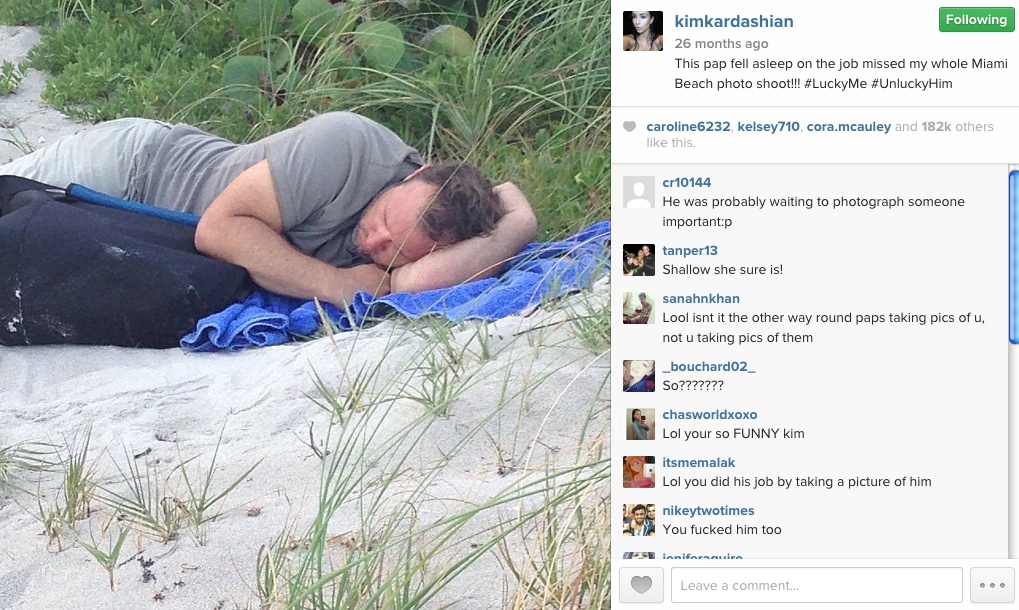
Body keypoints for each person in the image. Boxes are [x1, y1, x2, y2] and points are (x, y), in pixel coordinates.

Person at [0, 112, 538, 307]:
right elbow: (219, 230)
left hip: (128, 226)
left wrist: (518, 222)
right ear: (418, 172)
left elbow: (412, 284)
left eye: (393, 251)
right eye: (381, 222)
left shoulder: (426, 239)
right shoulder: (348, 145)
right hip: (133, 170)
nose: (371, 244)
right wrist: (336, 283)